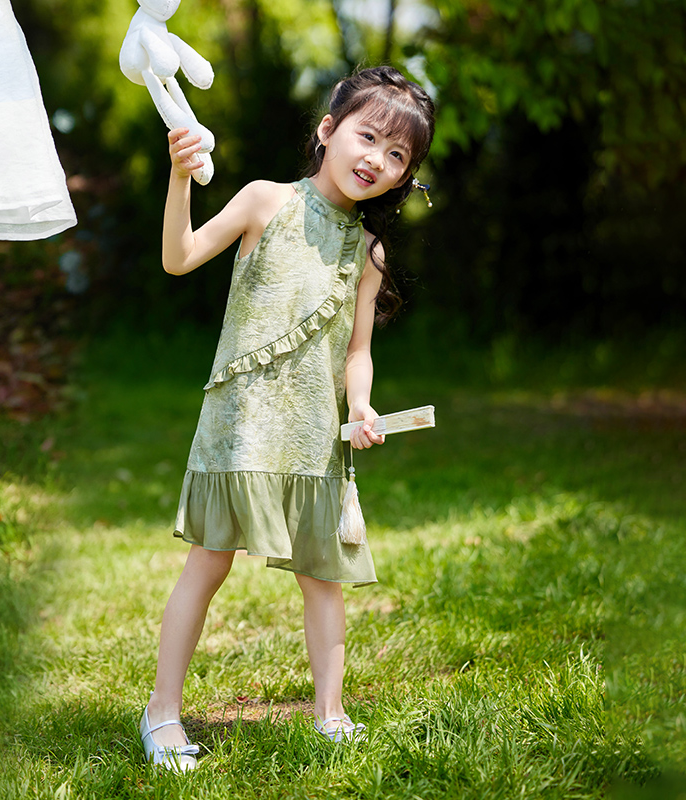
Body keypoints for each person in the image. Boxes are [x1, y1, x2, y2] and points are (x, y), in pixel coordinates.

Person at [140, 65, 435, 770]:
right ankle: (161, 715)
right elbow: (178, 258)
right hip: (240, 424)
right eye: (369, 137)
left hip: (311, 437)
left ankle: (331, 716)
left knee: (323, 578)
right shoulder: (264, 201)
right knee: (208, 565)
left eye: (398, 156)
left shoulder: (368, 252)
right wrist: (181, 176)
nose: (378, 160)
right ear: (328, 131)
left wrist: (360, 404)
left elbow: (357, 351)